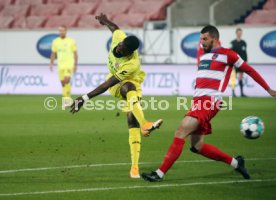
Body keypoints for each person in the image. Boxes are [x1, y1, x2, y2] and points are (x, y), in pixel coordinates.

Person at [141, 25, 276, 182]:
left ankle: (159, 173)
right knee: (197, 146)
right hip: (198, 101)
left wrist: (268, 89)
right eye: (200, 39)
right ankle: (236, 163)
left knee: (180, 131)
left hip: (210, 101)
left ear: (214, 38)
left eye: (204, 39)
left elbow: (249, 70)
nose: (201, 42)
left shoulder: (228, 54)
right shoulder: (203, 55)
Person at [70, 13, 163, 179]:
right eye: (120, 45)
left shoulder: (132, 63)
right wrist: (104, 21)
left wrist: (83, 98)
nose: (119, 48)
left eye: (124, 50)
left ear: (130, 52)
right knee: (127, 89)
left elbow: (107, 85)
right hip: (115, 86)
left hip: (131, 85)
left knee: (131, 117)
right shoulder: (120, 38)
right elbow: (115, 28)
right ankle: (146, 124)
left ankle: (134, 166)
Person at [50, 25, 78, 107]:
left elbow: (75, 54)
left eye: (62, 30)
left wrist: (75, 64)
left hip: (69, 64)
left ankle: (67, 101)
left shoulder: (71, 41)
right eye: (59, 30)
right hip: (60, 65)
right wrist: (51, 64)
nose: (61, 32)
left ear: (66, 31)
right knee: (63, 83)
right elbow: (53, 53)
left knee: (66, 80)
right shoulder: (55, 41)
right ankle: (66, 100)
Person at [230, 28, 248, 97]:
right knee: (233, 77)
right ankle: (233, 93)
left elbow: (245, 53)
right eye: (238, 33)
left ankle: (242, 93)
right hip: (234, 63)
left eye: (240, 33)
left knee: (241, 77)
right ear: (236, 33)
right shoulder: (232, 43)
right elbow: (231, 53)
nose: (239, 34)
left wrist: (245, 61)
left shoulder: (244, 43)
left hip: (241, 63)